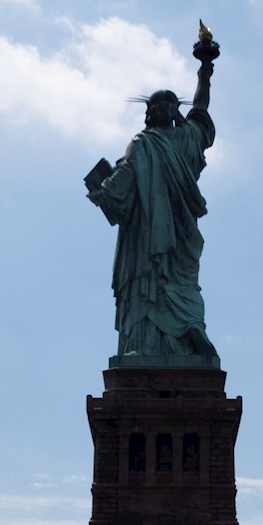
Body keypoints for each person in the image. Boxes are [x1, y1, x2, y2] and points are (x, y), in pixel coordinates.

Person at [85, 24, 222, 366]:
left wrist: (102, 192)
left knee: (155, 279)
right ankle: (181, 333)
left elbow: (121, 182)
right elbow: (201, 111)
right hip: (165, 230)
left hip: (154, 234)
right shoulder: (177, 140)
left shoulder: (147, 143)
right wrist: (205, 69)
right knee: (176, 282)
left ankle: (157, 342)